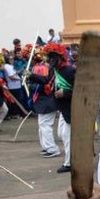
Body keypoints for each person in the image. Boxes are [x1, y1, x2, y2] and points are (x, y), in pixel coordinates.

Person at [28, 42, 75, 173]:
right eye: (50, 57)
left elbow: (80, 90)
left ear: (60, 57)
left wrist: (65, 93)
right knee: (62, 134)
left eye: (53, 57)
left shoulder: (70, 71)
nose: (51, 60)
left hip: (71, 108)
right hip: (62, 109)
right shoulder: (55, 70)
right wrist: (31, 75)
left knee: (67, 136)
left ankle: (69, 163)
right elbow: (46, 81)